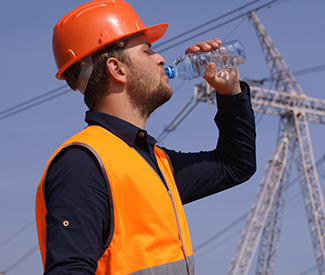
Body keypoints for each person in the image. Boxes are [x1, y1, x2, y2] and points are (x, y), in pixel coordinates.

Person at [35, 0, 256, 274]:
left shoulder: (155, 162)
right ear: (118, 70)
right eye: (147, 50)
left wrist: (230, 92)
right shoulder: (83, 164)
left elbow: (235, 165)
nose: (161, 59)